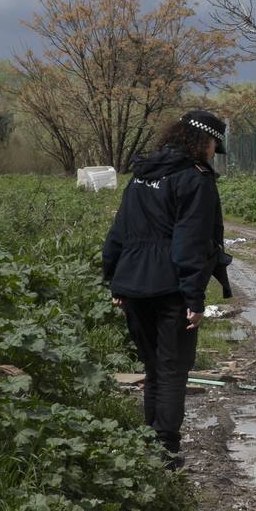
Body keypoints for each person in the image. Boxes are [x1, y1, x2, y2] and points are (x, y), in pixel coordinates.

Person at [102, 109, 232, 465]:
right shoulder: (195, 180)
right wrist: (194, 297)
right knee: (173, 370)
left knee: (153, 368)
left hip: (132, 285)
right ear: (203, 141)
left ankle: (149, 446)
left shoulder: (142, 175)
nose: (211, 151)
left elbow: (119, 231)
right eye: (212, 145)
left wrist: (113, 277)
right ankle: (166, 451)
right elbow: (190, 243)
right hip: (170, 287)